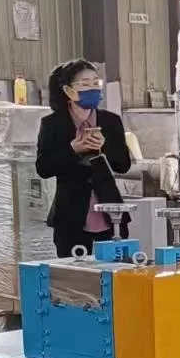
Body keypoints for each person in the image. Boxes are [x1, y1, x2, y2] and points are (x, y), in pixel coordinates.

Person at [37, 58, 132, 258]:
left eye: (96, 83)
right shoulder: (53, 124)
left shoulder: (111, 121)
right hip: (71, 215)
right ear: (68, 91)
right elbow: (43, 168)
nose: (93, 88)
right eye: (85, 83)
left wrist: (104, 148)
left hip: (110, 213)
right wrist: (72, 149)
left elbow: (123, 165)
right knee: (75, 271)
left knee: (115, 268)